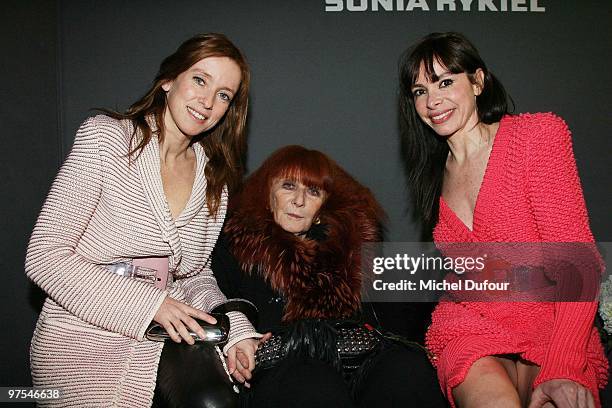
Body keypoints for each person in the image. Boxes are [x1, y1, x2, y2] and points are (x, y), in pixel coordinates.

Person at [25, 33, 260, 407]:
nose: (208, 101)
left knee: (215, 401)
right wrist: (151, 305)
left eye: (224, 95)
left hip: (160, 338)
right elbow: (45, 257)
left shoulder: (213, 179)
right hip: (80, 337)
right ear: (169, 80)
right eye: (200, 79)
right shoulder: (106, 138)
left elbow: (195, 275)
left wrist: (234, 329)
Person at [398, 32, 608, 407]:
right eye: (419, 91)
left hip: (552, 326)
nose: (433, 101)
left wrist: (564, 364)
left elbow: (579, 264)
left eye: (445, 82)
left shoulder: (535, 136)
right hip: (472, 327)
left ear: (478, 82)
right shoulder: (433, 175)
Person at [213, 145, 447, 407]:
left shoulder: (354, 258)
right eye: (288, 186)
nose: (299, 200)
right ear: (267, 195)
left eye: (313, 191)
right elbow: (210, 299)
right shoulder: (234, 249)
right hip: (285, 369)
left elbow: (408, 309)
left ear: (322, 210)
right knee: (315, 385)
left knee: (409, 370)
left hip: (360, 361)